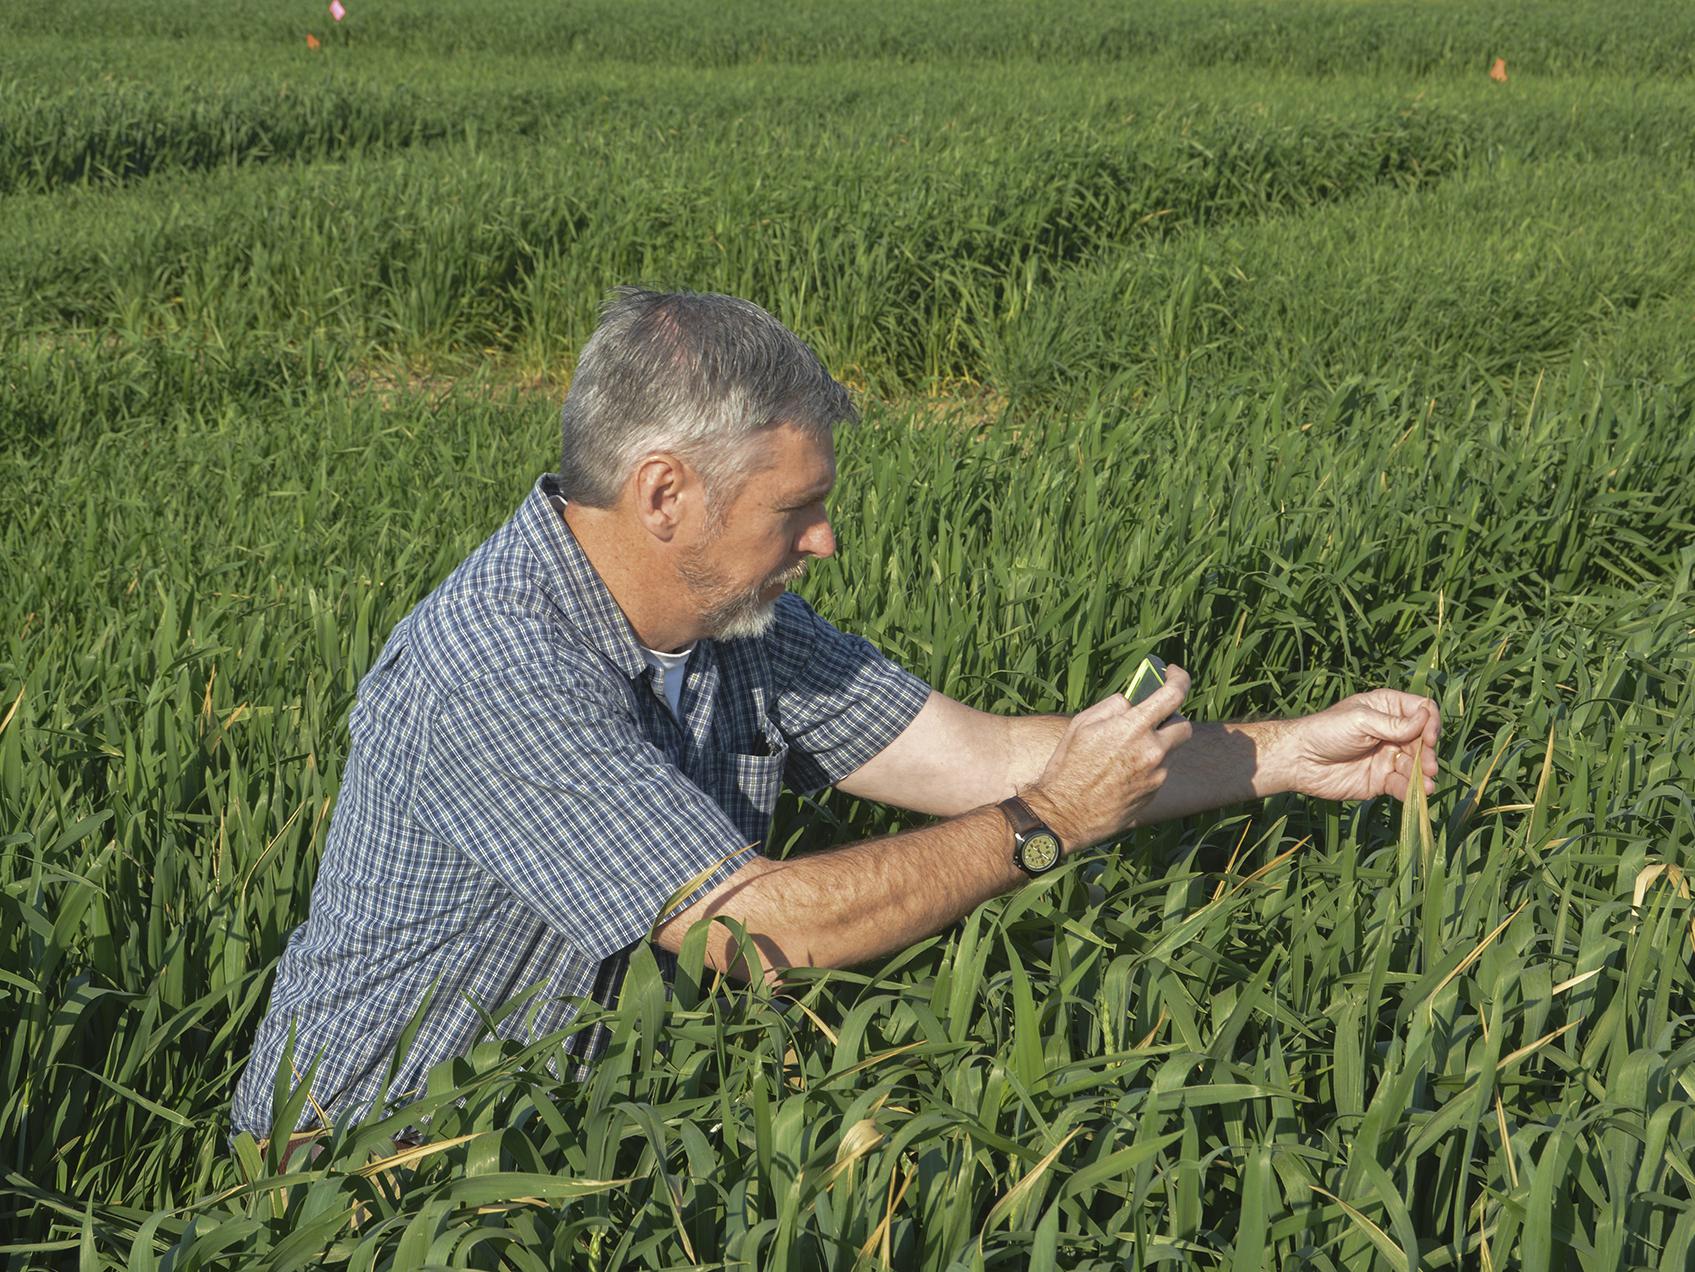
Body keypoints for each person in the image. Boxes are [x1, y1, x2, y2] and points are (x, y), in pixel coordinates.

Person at [231, 288, 1440, 1141]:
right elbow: (759, 934)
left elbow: (989, 758)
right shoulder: (495, 667)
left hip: (547, 1135)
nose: (825, 540)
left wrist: (1288, 754)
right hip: (365, 1168)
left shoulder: (732, 616)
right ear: (666, 494)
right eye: (794, 509)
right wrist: (1048, 824)